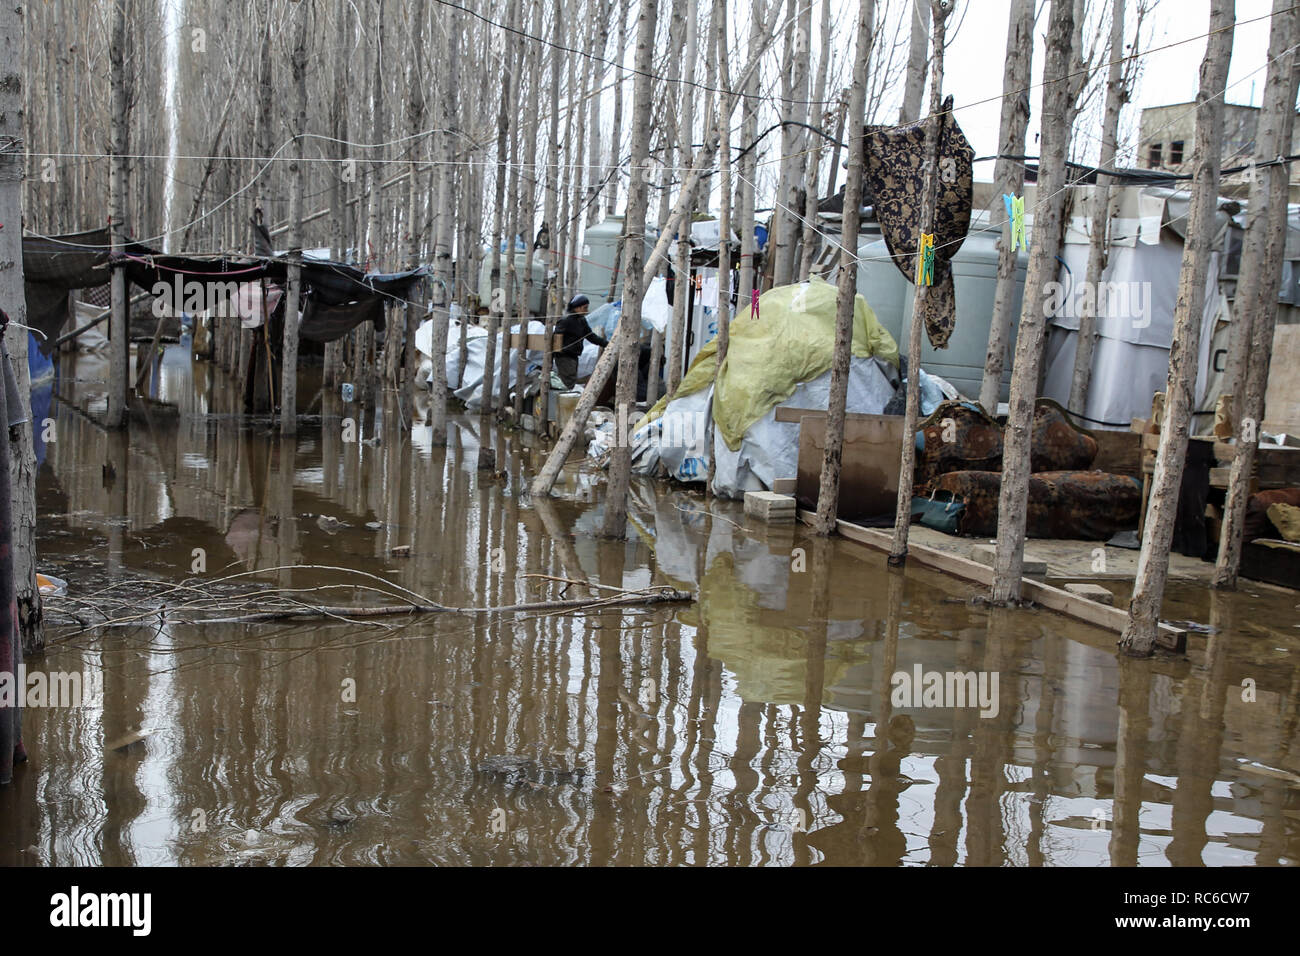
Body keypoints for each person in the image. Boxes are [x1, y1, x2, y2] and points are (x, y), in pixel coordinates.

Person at [553, 294, 607, 389]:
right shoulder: (565, 321)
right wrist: (555, 355)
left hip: (574, 357)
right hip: (564, 357)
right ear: (577, 308)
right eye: (585, 308)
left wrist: (607, 344)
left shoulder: (581, 321)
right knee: (568, 382)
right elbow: (556, 339)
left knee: (570, 381)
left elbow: (590, 336)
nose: (586, 311)